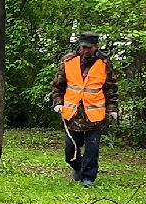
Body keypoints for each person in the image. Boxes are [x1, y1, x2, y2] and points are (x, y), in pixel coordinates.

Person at [46, 32, 116, 187]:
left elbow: (110, 88)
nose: (85, 50)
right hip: (73, 113)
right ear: (80, 45)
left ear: (95, 47)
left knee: (92, 149)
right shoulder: (68, 60)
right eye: (83, 47)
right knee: (70, 151)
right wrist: (57, 102)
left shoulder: (104, 62)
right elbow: (58, 85)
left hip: (95, 114)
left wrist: (112, 109)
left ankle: (88, 178)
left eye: (89, 48)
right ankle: (78, 167)